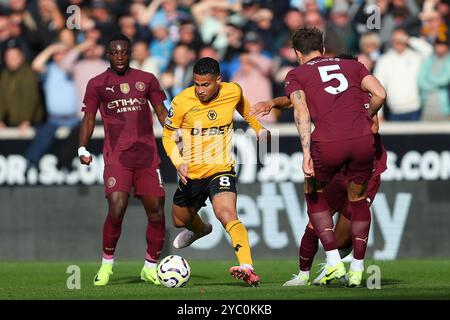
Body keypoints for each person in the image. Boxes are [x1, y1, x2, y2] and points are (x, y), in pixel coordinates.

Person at [251, 85, 387, 287]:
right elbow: (294, 100)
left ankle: (336, 264)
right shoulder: (325, 93)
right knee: (314, 225)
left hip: (363, 171)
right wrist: (271, 103)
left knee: (342, 239)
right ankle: (303, 275)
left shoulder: (366, 97)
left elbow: (374, 127)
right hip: (335, 169)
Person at [283, 27, 386, 287]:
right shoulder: (353, 66)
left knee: (313, 193)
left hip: (327, 142)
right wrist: (366, 115)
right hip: (362, 142)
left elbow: (301, 112)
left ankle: (332, 261)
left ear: (297, 53)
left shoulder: (296, 74)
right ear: (323, 47)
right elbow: (381, 94)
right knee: (359, 199)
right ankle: (357, 268)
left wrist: (306, 152)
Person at [162, 57, 270, 287]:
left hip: (221, 168)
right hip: (190, 172)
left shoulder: (232, 91)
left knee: (227, 213)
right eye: (197, 84)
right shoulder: (182, 101)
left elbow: (243, 107)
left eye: (206, 84)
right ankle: (201, 230)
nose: (200, 90)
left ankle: (247, 267)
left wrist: (259, 129)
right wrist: (178, 161)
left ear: (218, 80)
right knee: (180, 220)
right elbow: (167, 136)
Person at [78, 34, 168, 286]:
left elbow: (162, 110)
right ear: (108, 54)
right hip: (117, 157)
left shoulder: (146, 80)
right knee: (117, 208)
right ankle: (107, 264)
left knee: (157, 214)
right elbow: (88, 119)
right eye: (115, 52)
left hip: (148, 157)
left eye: (124, 52)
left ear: (130, 53)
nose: (120, 57)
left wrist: (176, 132)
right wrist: (82, 148)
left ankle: (150, 267)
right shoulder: (97, 83)